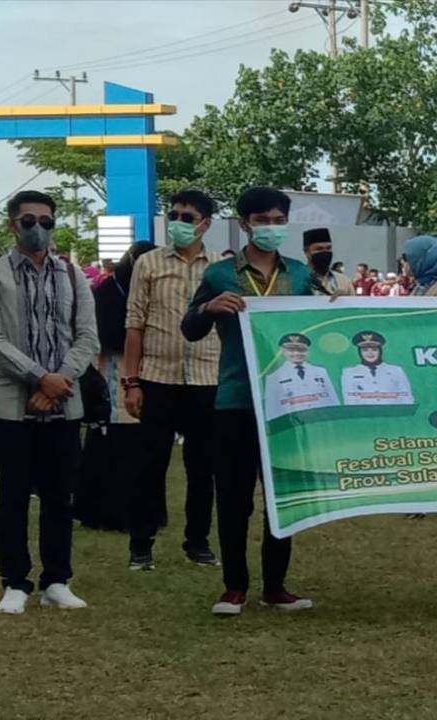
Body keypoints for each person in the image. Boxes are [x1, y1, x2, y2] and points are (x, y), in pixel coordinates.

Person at [182, 186, 315, 616]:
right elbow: (189, 328)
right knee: (235, 497)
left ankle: (275, 585)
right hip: (236, 399)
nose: (271, 228)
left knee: (282, 494)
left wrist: (333, 306)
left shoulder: (299, 274)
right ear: (244, 225)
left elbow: (317, 326)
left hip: (287, 401)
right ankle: (234, 587)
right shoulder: (221, 275)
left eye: (279, 221)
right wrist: (209, 309)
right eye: (263, 221)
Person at [0, 190, 99, 614]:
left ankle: (57, 580)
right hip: (11, 404)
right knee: (12, 496)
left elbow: (87, 337)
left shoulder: (72, 275)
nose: (38, 229)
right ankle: (15, 582)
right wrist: (40, 379)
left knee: (60, 496)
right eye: (29, 221)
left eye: (46, 221)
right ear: (13, 225)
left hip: (63, 403)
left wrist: (58, 382)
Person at [121, 190, 222, 571]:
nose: (180, 222)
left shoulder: (219, 269)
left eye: (189, 216)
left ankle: (198, 542)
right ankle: (141, 545)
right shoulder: (148, 263)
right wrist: (131, 382)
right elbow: (134, 324)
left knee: (203, 467)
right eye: (175, 215)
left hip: (206, 377)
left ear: (206, 223)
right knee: (150, 464)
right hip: (156, 377)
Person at [75, 242, 156, 534]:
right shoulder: (108, 292)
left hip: (147, 372)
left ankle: (143, 511)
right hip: (113, 371)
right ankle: (108, 511)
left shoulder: (150, 290)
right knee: (113, 442)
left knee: (143, 445)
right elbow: (103, 334)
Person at [263, 332, 340, 420]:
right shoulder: (274, 377)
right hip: (296, 425)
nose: (297, 353)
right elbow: (272, 411)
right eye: (291, 350)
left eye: (301, 350)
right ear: (283, 351)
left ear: (308, 351)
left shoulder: (321, 371)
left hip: (322, 421)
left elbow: (333, 401)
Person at [341, 331, 414, 405]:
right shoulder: (349, 373)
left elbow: (406, 397)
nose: (370, 353)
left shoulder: (396, 370)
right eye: (365, 350)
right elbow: (349, 400)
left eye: (374, 349)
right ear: (360, 352)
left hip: (393, 414)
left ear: (380, 351)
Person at [304, 228, 354, 296]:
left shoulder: (344, 281)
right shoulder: (297, 279)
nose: (325, 253)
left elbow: (353, 305)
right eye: (319, 249)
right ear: (307, 252)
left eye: (328, 248)